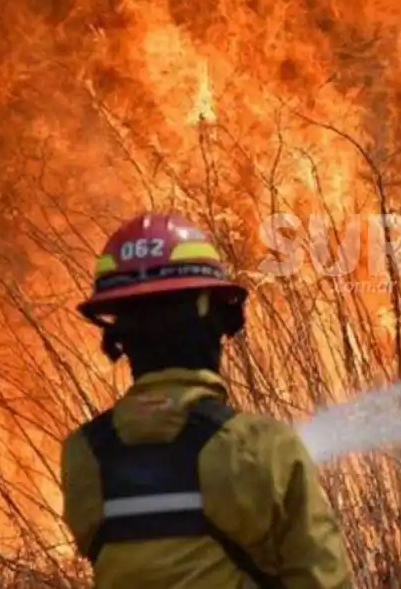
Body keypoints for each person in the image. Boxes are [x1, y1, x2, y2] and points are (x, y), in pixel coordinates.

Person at [59, 212, 353, 588]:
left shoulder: (83, 455)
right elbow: (323, 579)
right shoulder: (262, 447)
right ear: (213, 318)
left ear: (119, 334)